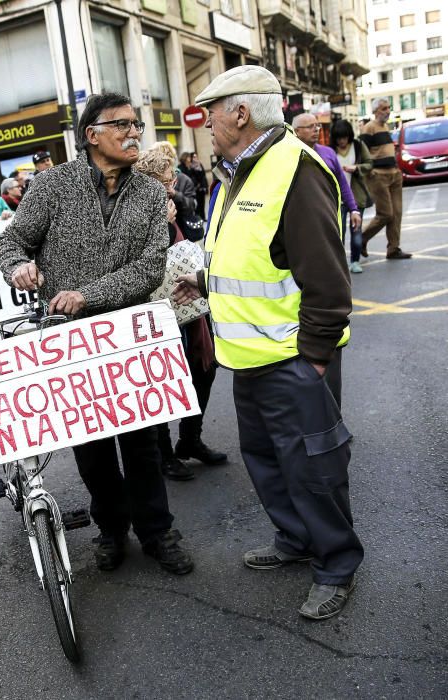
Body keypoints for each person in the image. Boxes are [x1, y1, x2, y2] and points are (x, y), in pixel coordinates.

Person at [172, 65, 361, 620]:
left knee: (313, 467)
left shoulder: (294, 170)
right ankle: (297, 539)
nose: (205, 121)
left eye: (212, 111)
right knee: (266, 460)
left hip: (294, 359)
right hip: (249, 358)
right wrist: (203, 281)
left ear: (241, 112)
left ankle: (336, 563)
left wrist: (318, 358)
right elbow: (253, 258)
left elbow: (327, 279)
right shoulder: (235, 173)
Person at [0, 91, 193, 576]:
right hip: (68, 340)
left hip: (128, 335)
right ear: (92, 135)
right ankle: (111, 530)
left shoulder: (150, 194)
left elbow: (150, 269)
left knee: (142, 442)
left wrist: (87, 294)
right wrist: (18, 266)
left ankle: (158, 533)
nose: (133, 133)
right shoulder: (52, 186)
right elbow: (12, 240)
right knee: (92, 448)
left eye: (137, 125)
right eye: (122, 125)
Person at [133, 149, 226, 481]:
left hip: (190, 304)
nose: (170, 186)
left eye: (170, 180)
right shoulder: (134, 213)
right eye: (163, 181)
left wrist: (179, 209)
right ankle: (164, 455)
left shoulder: (177, 202)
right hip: (157, 310)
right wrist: (161, 223)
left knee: (204, 369)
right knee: (164, 379)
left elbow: (198, 232)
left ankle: (190, 439)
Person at [292, 114, 363, 272]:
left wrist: (354, 209)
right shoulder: (289, 156)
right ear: (296, 131)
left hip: (331, 212)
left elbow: (342, 184)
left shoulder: (329, 153)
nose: (316, 130)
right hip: (304, 218)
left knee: (336, 246)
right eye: (310, 127)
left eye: (317, 126)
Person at [359, 98, 410, 259]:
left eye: (388, 108)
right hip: (378, 176)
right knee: (386, 214)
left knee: (397, 213)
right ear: (375, 111)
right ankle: (361, 239)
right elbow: (362, 153)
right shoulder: (369, 128)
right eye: (383, 108)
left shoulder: (385, 126)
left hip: (394, 174)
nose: (387, 111)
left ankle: (393, 249)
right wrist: (370, 172)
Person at [330, 119, 374, 274]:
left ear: (349, 135)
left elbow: (370, 164)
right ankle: (340, 263)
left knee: (356, 231)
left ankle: (355, 261)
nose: (342, 141)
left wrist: (356, 168)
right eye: (338, 138)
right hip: (338, 198)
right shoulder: (329, 151)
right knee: (338, 232)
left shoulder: (358, 145)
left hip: (357, 196)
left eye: (344, 137)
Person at [178, 152, 210, 219]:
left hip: (194, 188)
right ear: (185, 158)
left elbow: (200, 176)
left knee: (199, 203)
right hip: (185, 190)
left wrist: (198, 167)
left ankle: (201, 217)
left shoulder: (191, 166)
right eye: (189, 157)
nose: (190, 159)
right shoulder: (181, 167)